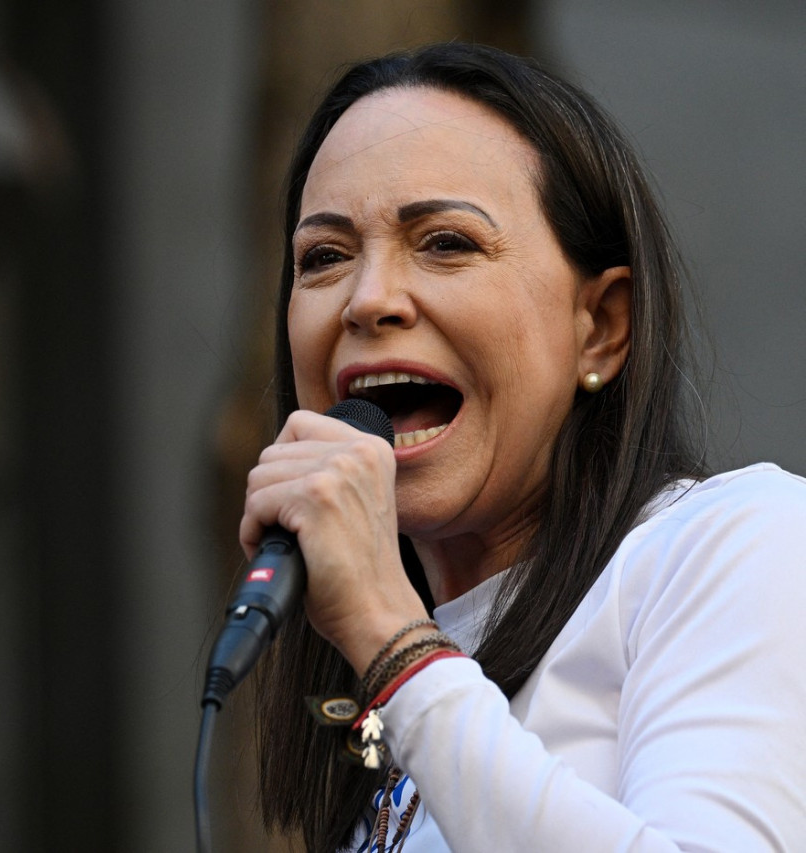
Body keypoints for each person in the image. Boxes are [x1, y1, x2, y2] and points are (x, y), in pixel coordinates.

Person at [240, 43, 806, 853]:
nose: (367, 300)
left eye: (445, 242)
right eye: (324, 257)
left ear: (600, 326)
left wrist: (390, 636)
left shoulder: (742, 541)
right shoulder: (380, 716)